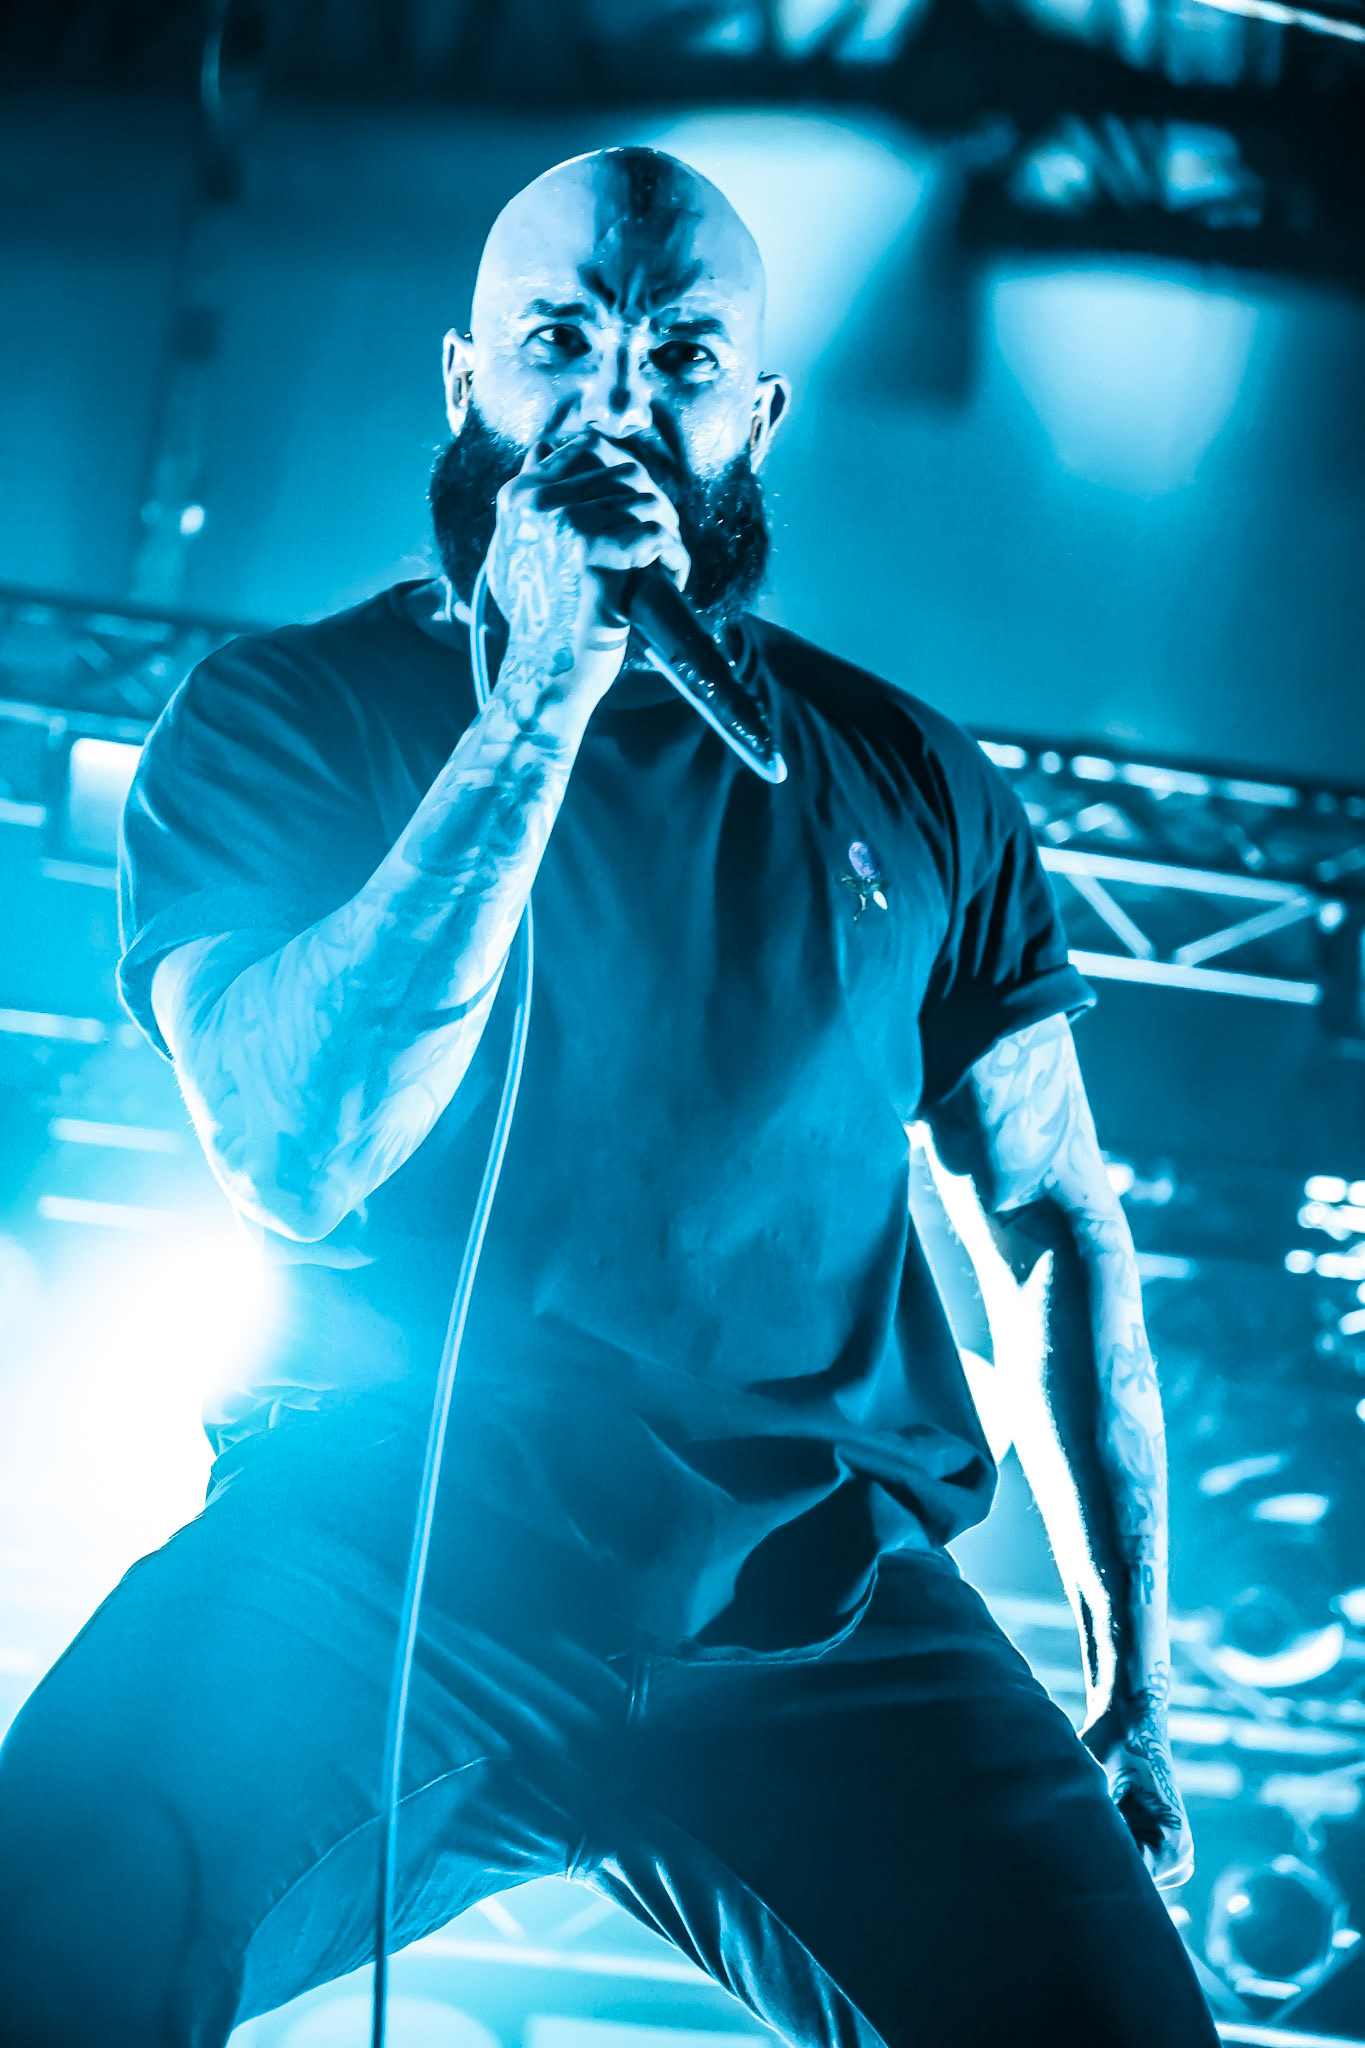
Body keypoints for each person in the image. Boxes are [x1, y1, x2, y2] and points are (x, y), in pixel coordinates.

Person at [0, 146, 1218, 2046]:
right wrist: (535, 704)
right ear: (464, 379)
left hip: (822, 1596)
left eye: (680, 357)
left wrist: (1134, 1672)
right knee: (40, 1938)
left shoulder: (911, 780)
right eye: (559, 340)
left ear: (759, 418)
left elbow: (1054, 1214)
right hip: (378, 1544)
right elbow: (298, 1153)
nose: (614, 405)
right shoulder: (285, 718)